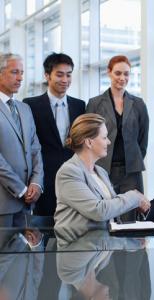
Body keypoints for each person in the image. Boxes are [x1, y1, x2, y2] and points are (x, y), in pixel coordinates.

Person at [54, 113, 150, 230]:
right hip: (78, 246)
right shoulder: (68, 172)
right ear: (89, 142)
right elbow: (99, 211)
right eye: (104, 137)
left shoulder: (101, 172)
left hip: (105, 244)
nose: (109, 142)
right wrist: (134, 197)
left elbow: (112, 212)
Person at [86, 55, 149, 222]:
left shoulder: (138, 104)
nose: (122, 78)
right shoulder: (95, 103)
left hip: (130, 170)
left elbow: (143, 140)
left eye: (126, 74)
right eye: (118, 73)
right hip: (102, 168)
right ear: (109, 73)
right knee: (105, 214)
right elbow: (89, 137)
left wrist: (134, 159)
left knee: (129, 218)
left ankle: (128, 249)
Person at [23, 53, 86, 217]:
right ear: (47, 75)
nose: (65, 80)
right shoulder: (30, 105)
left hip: (73, 178)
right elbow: (28, 145)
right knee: (43, 230)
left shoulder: (79, 106)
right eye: (59, 74)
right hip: (43, 178)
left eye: (69, 74)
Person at [0, 53, 43, 228]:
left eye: (22, 73)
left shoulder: (25, 109)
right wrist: (21, 189)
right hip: (3, 203)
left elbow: (35, 149)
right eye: (15, 72)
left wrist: (36, 183)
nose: (20, 78)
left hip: (27, 204)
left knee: (24, 255)